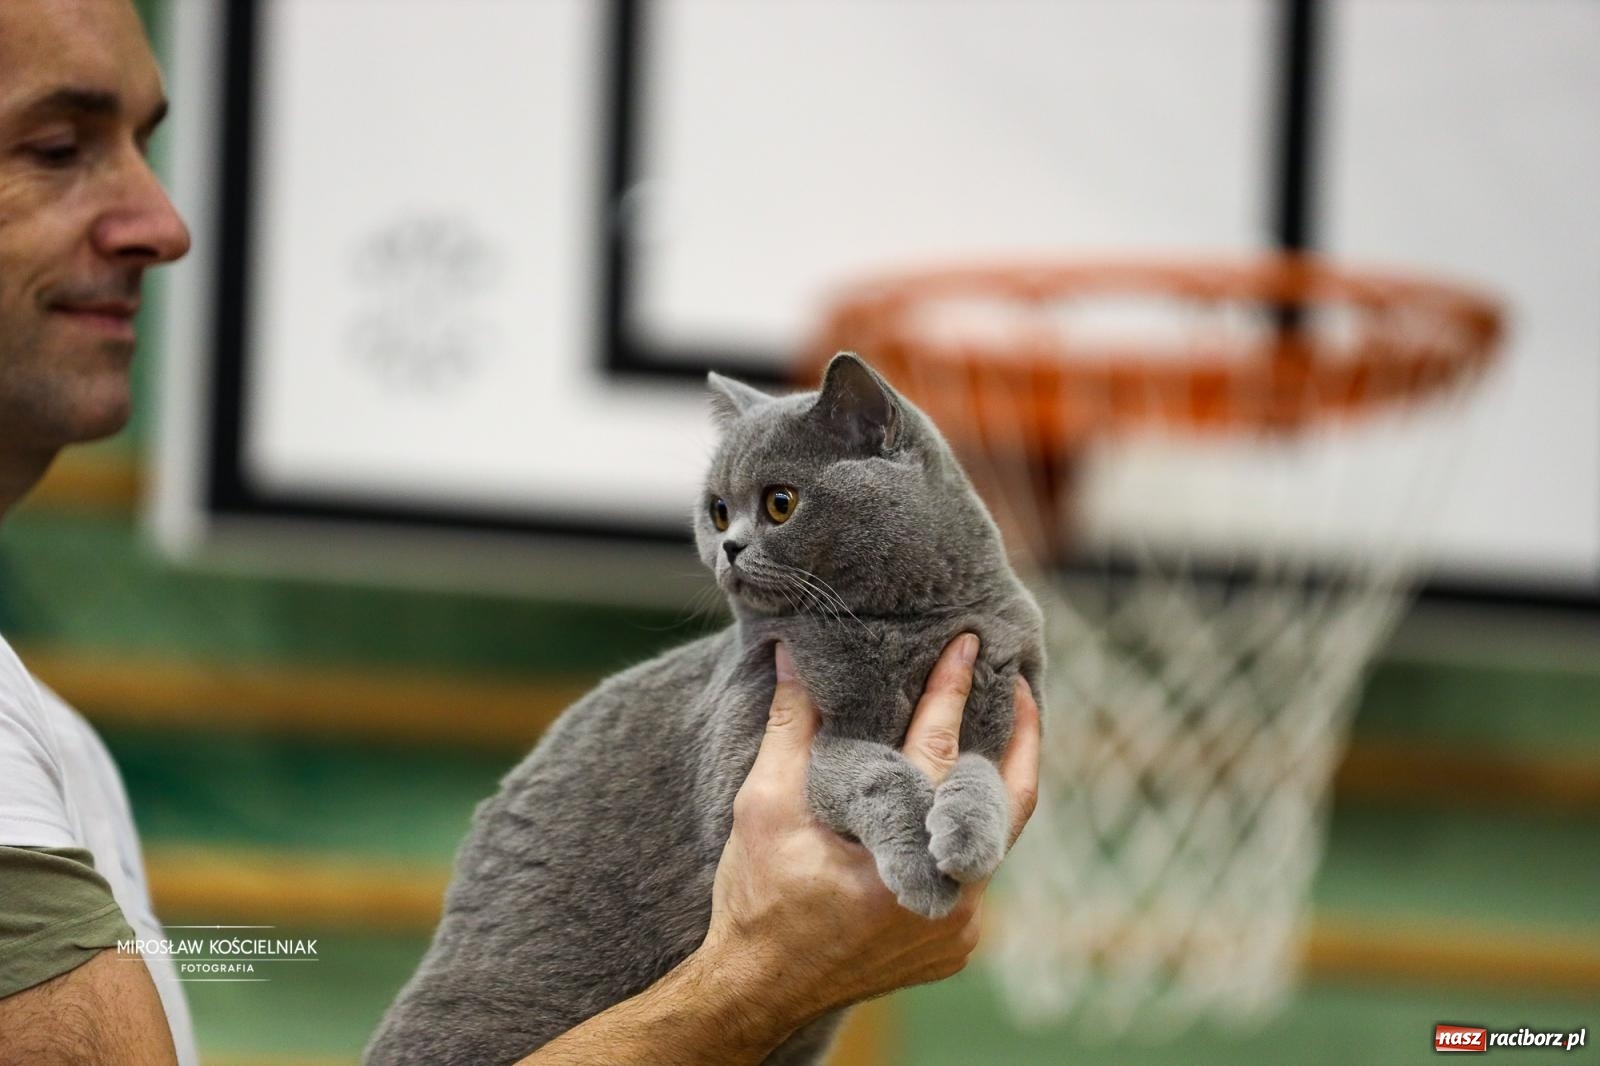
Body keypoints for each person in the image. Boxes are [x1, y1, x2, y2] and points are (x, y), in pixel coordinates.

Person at [0, 1, 1042, 1063]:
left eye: (146, 144)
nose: (164, 223)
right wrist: (758, 976)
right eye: (54, 147)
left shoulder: (49, 734)